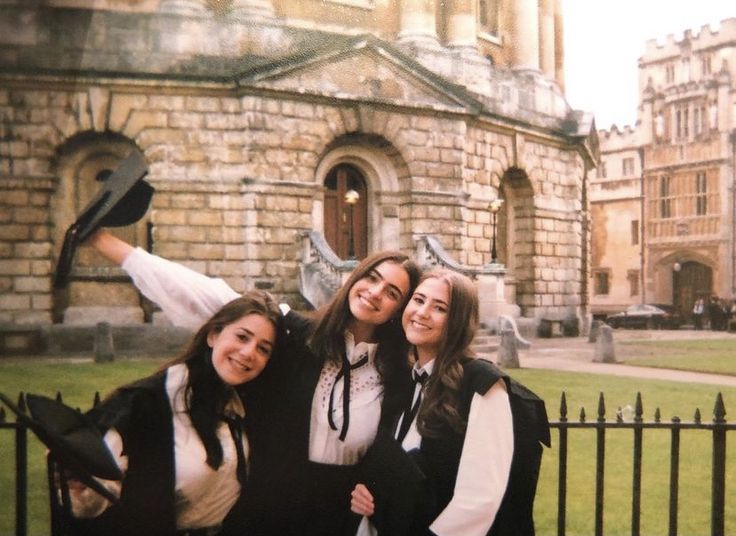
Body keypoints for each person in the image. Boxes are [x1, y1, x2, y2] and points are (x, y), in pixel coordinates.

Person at [86, 229, 421, 535]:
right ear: (355, 278)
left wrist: (372, 486)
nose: (375, 292)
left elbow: (394, 448)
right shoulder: (295, 335)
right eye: (371, 278)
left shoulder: (395, 375)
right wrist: (109, 245)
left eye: (392, 292)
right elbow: (207, 298)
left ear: (398, 310)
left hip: (338, 520)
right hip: (266, 509)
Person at [63, 291, 282, 536]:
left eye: (263, 349)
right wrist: (79, 485)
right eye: (242, 337)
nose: (248, 352)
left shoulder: (242, 409)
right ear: (213, 334)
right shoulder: (144, 405)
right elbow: (90, 502)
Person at [351, 269, 515, 536]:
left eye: (439, 308)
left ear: (458, 321)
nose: (422, 312)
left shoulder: (482, 384)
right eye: (418, 300)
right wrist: (368, 493)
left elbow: (480, 499)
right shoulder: (403, 381)